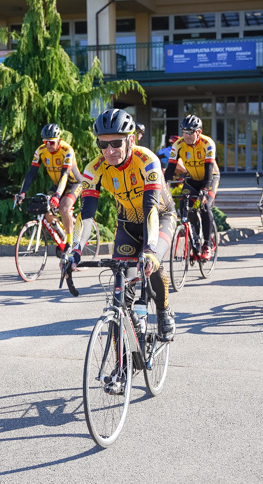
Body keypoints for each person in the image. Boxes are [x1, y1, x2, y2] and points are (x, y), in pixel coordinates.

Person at [70, 108, 177, 340]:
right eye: (103, 144)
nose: (109, 151)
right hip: (127, 224)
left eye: (116, 143)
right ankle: (123, 353)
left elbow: (151, 208)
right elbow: (86, 215)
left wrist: (149, 250)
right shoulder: (94, 169)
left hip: (160, 218)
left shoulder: (147, 160)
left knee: (153, 264)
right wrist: (75, 249)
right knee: (123, 283)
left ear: (130, 140)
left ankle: (163, 311)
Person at [164, 114, 221, 260]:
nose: (187, 136)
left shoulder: (208, 143)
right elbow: (170, 168)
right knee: (185, 208)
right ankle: (195, 240)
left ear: (198, 132)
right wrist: (163, 186)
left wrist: (205, 189)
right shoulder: (178, 145)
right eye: (184, 132)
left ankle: (207, 245)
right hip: (193, 179)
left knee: (205, 206)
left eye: (190, 132)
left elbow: (208, 169)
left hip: (210, 178)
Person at [17, 123, 83, 249]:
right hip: (58, 184)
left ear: (59, 140)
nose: (48, 145)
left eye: (52, 142)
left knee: (63, 207)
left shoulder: (67, 150)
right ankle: (62, 235)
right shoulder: (41, 151)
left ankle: (70, 242)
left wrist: (57, 195)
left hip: (73, 183)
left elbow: (65, 174)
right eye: (45, 142)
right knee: (44, 207)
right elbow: (31, 173)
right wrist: (22, 192)